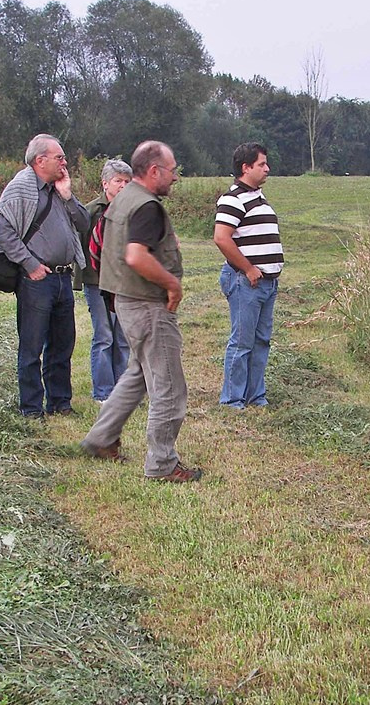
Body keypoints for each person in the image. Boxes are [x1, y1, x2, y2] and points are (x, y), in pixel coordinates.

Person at [78, 141, 203, 483]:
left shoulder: (122, 200)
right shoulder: (147, 206)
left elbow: (108, 252)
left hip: (126, 301)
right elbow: (135, 256)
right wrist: (172, 285)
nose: (175, 177)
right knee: (169, 387)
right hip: (148, 305)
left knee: (136, 375)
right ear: (154, 171)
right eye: (172, 170)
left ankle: (101, 438)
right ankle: (162, 464)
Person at [0, 134, 89, 417]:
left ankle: (60, 403)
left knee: (63, 344)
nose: (64, 162)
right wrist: (29, 264)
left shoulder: (58, 189)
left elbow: (83, 223)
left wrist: (69, 196)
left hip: (62, 278)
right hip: (36, 279)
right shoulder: (20, 187)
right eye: (59, 157)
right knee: (32, 346)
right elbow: (2, 230)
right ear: (39, 160)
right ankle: (31, 408)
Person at [213, 142, 283, 409]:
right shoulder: (233, 199)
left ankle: (256, 395)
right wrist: (249, 268)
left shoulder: (258, 197)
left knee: (261, 341)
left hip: (267, 283)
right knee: (242, 342)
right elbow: (221, 238)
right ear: (246, 168)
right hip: (247, 282)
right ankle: (232, 399)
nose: (267, 169)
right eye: (261, 164)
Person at [79, 159, 132, 404]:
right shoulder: (90, 211)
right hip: (97, 283)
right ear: (105, 183)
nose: (122, 186)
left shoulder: (134, 211)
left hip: (126, 285)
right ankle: (103, 393)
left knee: (122, 338)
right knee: (104, 336)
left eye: (126, 181)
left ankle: (121, 391)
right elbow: (80, 246)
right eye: (117, 181)